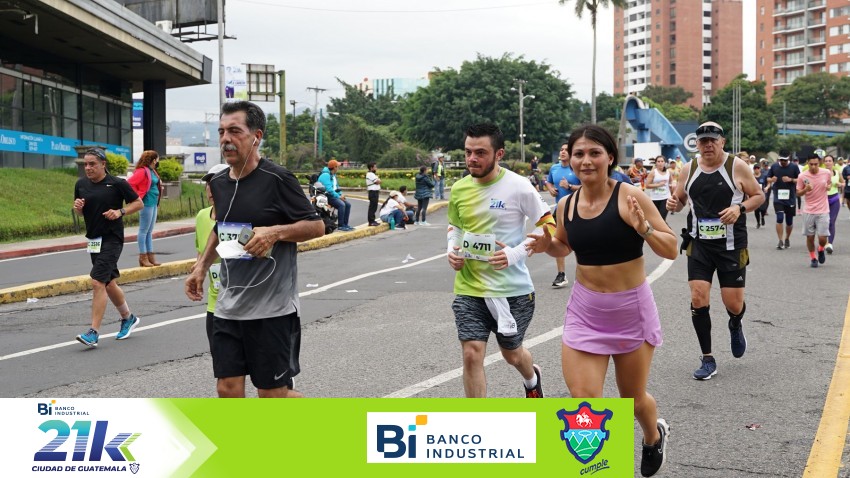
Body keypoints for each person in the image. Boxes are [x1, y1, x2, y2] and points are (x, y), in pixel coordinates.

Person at [527, 125, 676, 478]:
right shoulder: (566, 205)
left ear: (610, 157)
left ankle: (654, 435)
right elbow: (564, 246)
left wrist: (644, 229)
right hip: (586, 313)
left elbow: (670, 248)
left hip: (630, 312)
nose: (586, 161)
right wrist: (546, 245)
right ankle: (599, 469)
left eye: (594, 153)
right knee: (584, 403)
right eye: (579, 154)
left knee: (633, 400)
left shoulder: (630, 196)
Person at [185, 100, 324, 398]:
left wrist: (275, 233)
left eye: (235, 131)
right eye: (222, 131)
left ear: (256, 136)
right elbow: (220, 226)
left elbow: (316, 226)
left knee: (271, 395)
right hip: (228, 305)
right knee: (227, 389)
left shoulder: (278, 179)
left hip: (272, 309)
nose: (226, 139)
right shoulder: (219, 182)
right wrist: (200, 267)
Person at [447, 123, 554, 399]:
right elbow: (455, 227)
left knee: (512, 354)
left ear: (499, 154)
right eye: (468, 152)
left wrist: (514, 253)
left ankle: (532, 379)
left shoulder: (519, 187)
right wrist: (451, 249)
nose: (472, 158)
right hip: (470, 287)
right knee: (471, 354)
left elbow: (548, 225)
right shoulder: (459, 189)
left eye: (480, 153)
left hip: (513, 290)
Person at [667, 121, 764, 381]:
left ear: (722, 142)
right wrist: (674, 204)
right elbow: (680, 200)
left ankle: (735, 322)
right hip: (699, 244)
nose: (708, 145)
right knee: (698, 297)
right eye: (703, 141)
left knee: (733, 303)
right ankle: (707, 358)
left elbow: (758, 196)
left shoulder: (737, 166)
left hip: (731, 245)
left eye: (713, 140)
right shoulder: (688, 169)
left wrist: (739, 208)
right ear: (697, 144)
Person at [73, 148, 144, 347]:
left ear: (103, 164)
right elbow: (80, 212)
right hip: (94, 240)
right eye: (85, 164)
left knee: (97, 282)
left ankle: (93, 332)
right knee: (109, 283)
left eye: (92, 164)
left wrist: (120, 211)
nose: (88, 168)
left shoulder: (117, 184)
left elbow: (138, 203)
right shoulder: (81, 184)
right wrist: (78, 209)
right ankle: (128, 317)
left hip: (112, 239)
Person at [196, 163, 229, 350]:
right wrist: (198, 271)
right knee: (220, 359)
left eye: (217, 183)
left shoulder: (241, 215)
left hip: (243, 304)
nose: (211, 189)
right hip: (215, 303)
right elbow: (201, 252)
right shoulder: (202, 216)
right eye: (209, 184)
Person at [545, 142, 581, 288]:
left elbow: (587, 186)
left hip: (577, 209)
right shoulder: (554, 168)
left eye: (566, 150)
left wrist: (570, 186)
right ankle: (561, 274)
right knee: (558, 240)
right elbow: (548, 181)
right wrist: (550, 189)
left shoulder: (576, 168)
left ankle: (582, 275)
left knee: (579, 242)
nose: (563, 152)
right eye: (561, 149)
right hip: (559, 210)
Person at [127, 150, 164, 267]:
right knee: (143, 230)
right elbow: (129, 183)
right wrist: (137, 196)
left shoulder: (152, 171)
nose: (158, 161)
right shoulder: (142, 171)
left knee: (149, 231)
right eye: (157, 159)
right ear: (154, 160)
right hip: (146, 203)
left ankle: (150, 256)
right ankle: (143, 256)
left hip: (154, 202)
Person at [797, 153, 832, 268]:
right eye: (811, 164)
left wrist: (828, 187)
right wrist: (805, 190)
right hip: (808, 210)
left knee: (822, 237)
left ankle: (821, 249)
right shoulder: (802, 176)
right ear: (807, 163)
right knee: (810, 237)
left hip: (823, 209)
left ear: (820, 163)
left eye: (815, 164)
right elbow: (798, 193)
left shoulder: (826, 173)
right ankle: (813, 257)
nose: (813, 166)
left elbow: (829, 183)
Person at [766, 151, 800, 250]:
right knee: (779, 218)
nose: (783, 162)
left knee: (789, 221)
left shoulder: (794, 167)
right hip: (778, 196)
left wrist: (791, 180)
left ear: (788, 158)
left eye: (785, 160)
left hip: (790, 197)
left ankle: (787, 238)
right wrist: (771, 180)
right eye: (781, 160)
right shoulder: (774, 166)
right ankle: (780, 240)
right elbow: (768, 178)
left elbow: (800, 179)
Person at [318, 159, 354, 232]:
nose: (338, 168)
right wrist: (338, 196)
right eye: (337, 166)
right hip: (327, 196)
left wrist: (341, 194)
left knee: (348, 204)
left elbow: (337, 187)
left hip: (334, 195)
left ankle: (345, 224)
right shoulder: (325, 175)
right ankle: (341, 225)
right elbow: (329, 189)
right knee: (342, 205)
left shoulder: (333, 175)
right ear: (334, 167)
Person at [822, 155, 842, 253]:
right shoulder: (821, 173)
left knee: (831, 221)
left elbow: (843, 182)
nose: (828, 162)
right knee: (823, 222)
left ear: (833, 162)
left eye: (830, 161)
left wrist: (840, 184)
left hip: (834, 199)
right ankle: (823, 242)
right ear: (823, 162)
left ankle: (829, 244)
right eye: (826, 161)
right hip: (823, 200)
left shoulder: (837, 172)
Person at [645, 155, 671, 221]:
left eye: (662, 161)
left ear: (665, 162)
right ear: (656, 163)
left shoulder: (668, 172)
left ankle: (664, 227)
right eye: (658, 161)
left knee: (662, 218)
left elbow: (671, 183)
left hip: (666, 197)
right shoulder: (653, 172)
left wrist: (673, 193)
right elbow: (647, 185)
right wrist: (659, 185)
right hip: (655, 198)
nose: (660, 163)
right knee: (656, 219)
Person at [752, 164, 770, 228]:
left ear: (760, 169)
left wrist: (767, 187)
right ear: (753, 169)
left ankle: (762, 217)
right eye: (755, 168)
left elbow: (768, 183)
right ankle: (758, 223)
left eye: (758, 168)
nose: (756, 169)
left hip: (762, 194)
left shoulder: (764, 176)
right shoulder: (751, 176)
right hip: (754, 195)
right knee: (756, 210)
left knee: (763, 209)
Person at [365, 162, 381, 227]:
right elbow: (377, 181)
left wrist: (378, 181)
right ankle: (371, 221)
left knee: (374, 207)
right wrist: (378, 181)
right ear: (371, 168)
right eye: (375, 167)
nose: (376, 168)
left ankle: (373, 220)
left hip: (375, 192)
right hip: (373, 192)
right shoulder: (370, 174)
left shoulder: (373, 174)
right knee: (372, 207)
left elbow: (378, 181)